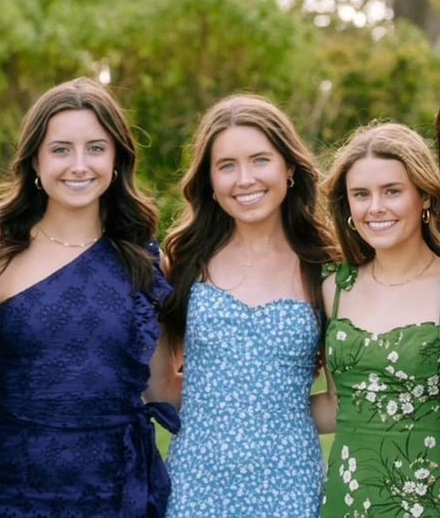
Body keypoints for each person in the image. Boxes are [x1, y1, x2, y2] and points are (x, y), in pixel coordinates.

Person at [0, 77, 178, 517]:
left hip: (118, 490)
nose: (79, 165)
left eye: (96, 148)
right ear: (35, 161)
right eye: (61, 149)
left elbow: (162, 388)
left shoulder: (145, 262)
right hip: (12, 490)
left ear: (117, 158)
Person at [147, 93, 339, 516]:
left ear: (289, 168)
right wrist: (222, 413)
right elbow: (160, 389)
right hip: (196, 486)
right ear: (210, 182)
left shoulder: (325, 267)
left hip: (291, 488)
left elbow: (337, 405)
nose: (245, 179)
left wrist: (272, 416)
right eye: (227, 166)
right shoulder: (183, 261)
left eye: (260, 160)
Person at [315, 122, 440, 517]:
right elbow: (335, 406)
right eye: (361, 194)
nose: (375, 208)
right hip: (347, 499)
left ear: (424, 196)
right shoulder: (334, 287)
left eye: (392, 191)